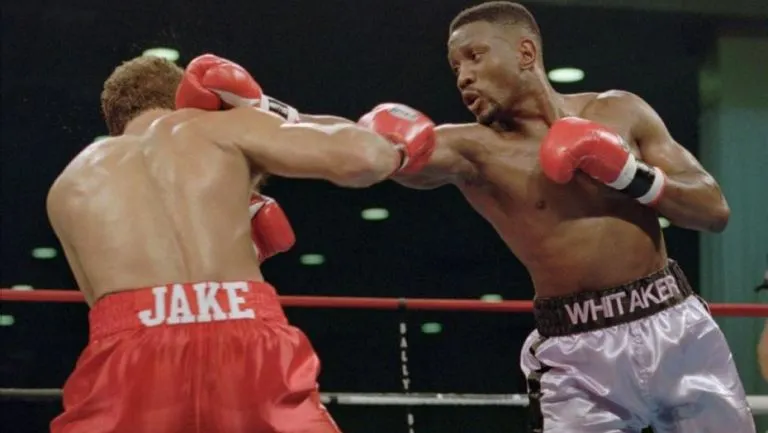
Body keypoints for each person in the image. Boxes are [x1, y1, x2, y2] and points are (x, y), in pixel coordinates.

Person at [367, 2, 751, 432]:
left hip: (676, 329)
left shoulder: (620, 112)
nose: (463, 77)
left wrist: (630, 175)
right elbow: (376, 159)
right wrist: (305, 124)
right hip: (577, 358)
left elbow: (713, 210)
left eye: (475, 56)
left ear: (526, 53)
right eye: (455, 66)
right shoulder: (472, 150)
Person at [46, 53, 436, 433]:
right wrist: (395, 148)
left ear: (114, 120)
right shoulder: (216, 128)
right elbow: (362, 158)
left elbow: (108, 303)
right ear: (186, 98)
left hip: (128, 354)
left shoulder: (69, 184)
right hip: (244, 333)